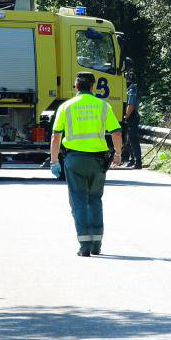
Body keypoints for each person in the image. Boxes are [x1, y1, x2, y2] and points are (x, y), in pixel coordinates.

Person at [50, 72, 122, 257]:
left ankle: (84, 246)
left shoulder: (66, 106)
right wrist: (118, 154)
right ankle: (97, 244)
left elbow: (56, 136)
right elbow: (116, 133)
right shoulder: (103, 106)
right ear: (93, 87)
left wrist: (54, 161)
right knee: (95, 200)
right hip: (98, 162)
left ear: (76, 86)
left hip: (74, 161)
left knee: (79, 201)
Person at [122, 72, 142, 169]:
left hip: (132, 116)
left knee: (133, 139)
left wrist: (126, 116)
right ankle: (132, 160)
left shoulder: (132, 88)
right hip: (131, 116)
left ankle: (138, 162)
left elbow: (131, 105)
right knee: (128, 140)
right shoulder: (130, 88)